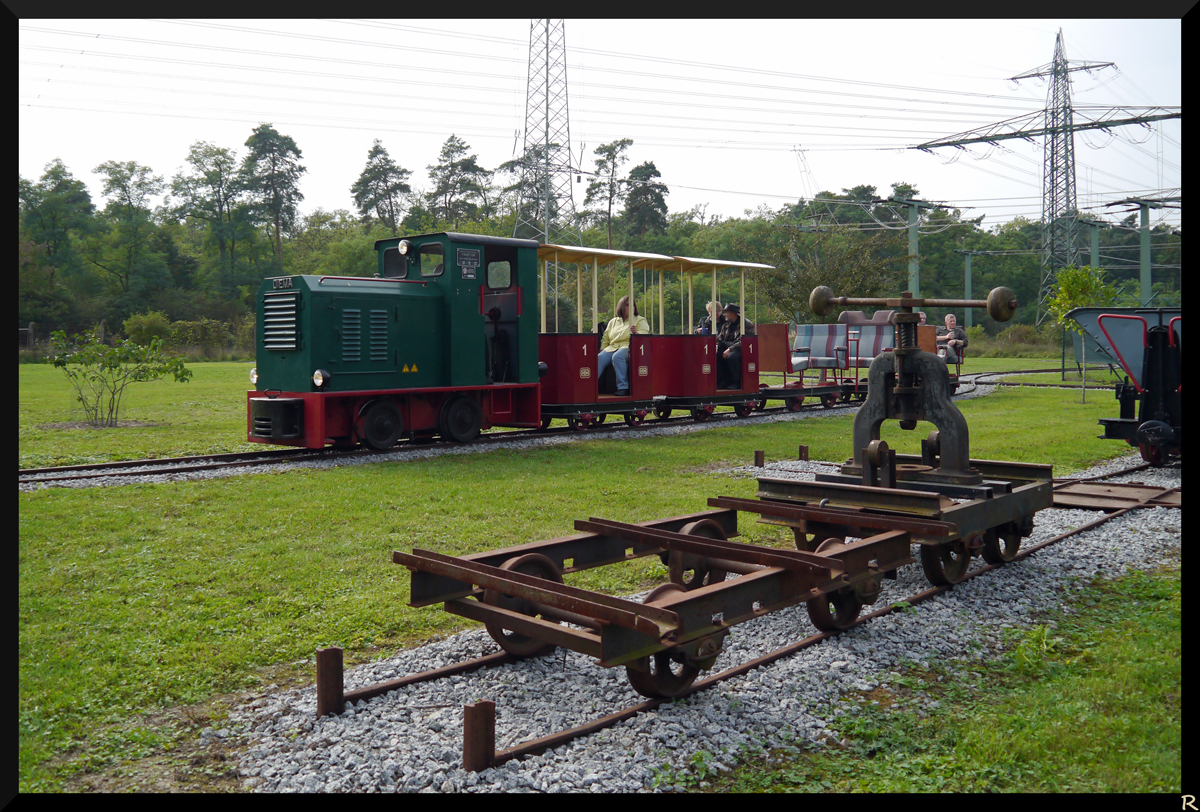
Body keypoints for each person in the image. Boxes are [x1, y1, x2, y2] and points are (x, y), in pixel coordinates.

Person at [598, 296, 650, 396]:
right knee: (599, 358)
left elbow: (644, 334)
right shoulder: (613, 322)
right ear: (621, 307)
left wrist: (636, 333)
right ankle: (590, 386)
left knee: (618, 357)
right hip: (612, 347)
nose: (631, 307)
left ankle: (623, 387)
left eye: (633, 305)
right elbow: (606, 337)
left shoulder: (640, 320)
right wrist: (602, 348)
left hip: (629, 346)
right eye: (627, 305)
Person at [716, 303, 755, 389]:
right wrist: (717, 346)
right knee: (714, 356)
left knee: (732, 357)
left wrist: (730, 349)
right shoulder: (726, 325)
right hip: (727, 348)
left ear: (733, 314)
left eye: (726, 312)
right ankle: (722, 381)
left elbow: (744, 341)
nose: (724, 314)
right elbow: (719, 338)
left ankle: (736, 383)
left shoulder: (746, 324)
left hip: (741, 350)